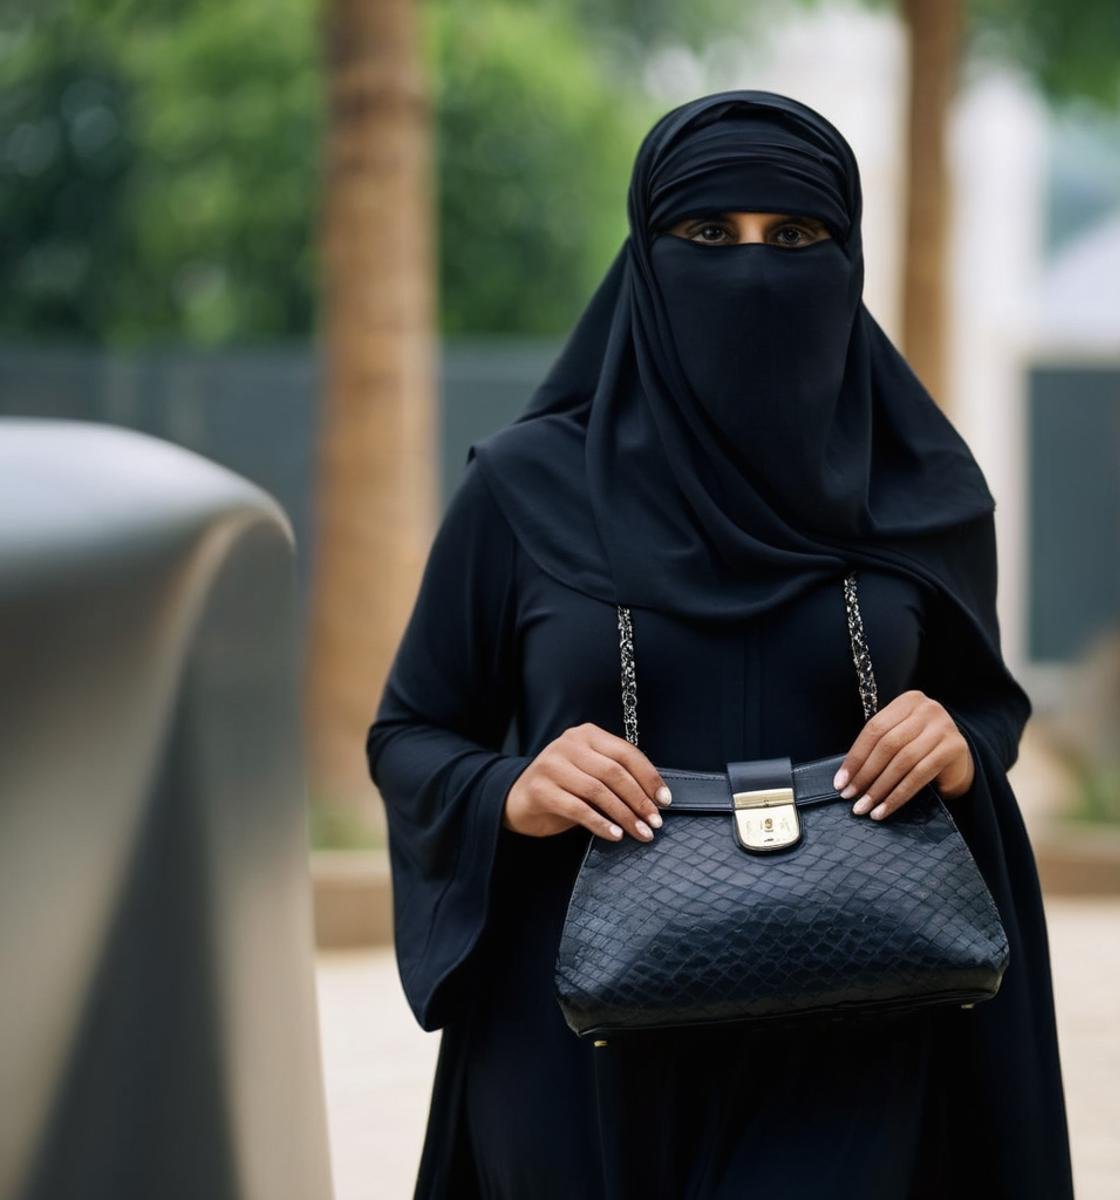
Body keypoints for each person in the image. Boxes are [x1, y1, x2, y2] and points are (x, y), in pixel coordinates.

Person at [366, 89, 1074, 1199]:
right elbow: (410, 732)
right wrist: (512, 788)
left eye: (795, 238)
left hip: (861, 1037)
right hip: (580, 1048)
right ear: (647, 261)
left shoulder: (921, 491)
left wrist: (957, 739)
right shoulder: (524, 487)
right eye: (708, 236)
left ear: (848, 259)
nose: (753, 270)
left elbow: (988, 708)